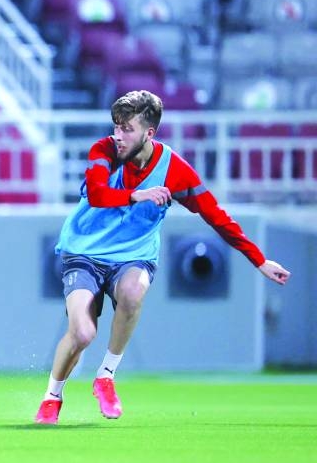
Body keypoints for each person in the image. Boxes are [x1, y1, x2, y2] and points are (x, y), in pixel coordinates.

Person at [34, 90, 290, 425]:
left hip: (134, 256)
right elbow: (97, 195)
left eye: (127, 129)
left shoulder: (176, 171)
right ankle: (52, 397)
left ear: (149, 133)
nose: (118, 135)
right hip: (84, 251)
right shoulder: (103, 151)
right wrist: (137, 195)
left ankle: (106, 376)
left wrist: (259, 260)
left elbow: (216, 216)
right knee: (82, 334)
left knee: (132, 293)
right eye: (116, 126)